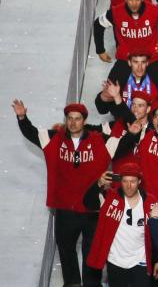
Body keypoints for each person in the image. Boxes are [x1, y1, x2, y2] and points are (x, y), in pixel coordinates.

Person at [13, 99, 115, 287]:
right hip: (66, 209)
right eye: (70, 118)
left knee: (92, 253)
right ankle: (72, 284)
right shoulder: (54, 138)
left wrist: (134, 132)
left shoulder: (99, 139)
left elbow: (121, 145)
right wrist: (22, 117)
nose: (73, 122)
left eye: (77, 119)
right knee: (67, 251)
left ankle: (92, 284)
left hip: (92, 210)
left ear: (84, 121)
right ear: (66, 120)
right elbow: (32, 133)